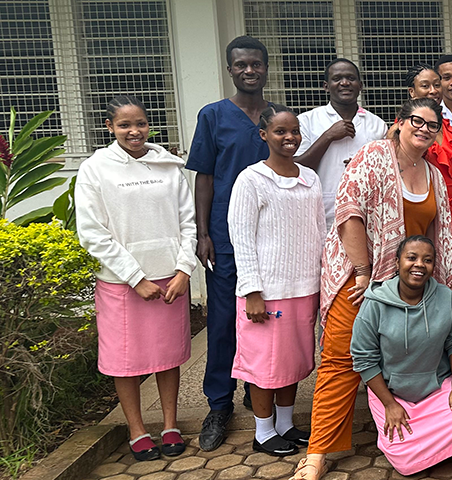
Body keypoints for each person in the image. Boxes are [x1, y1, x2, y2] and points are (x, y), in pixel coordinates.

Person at [293, 97, 452, 480]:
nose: (423, 129)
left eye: (432, 125)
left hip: (407, 284)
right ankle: (317, 454)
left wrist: (439, 286)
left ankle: (418, 435)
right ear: (399, 122)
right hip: (359, 277)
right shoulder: (372, 156)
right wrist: (365, 272)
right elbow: (350, 213)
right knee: (342, 361)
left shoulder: (432, 174)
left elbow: (436, 234)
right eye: (416, 120)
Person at [76, 95, 196, 461]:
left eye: (140, 123)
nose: (134, 131)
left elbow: (187, 222)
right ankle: (137, 429)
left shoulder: (167, 165)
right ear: (109, 127)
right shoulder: (95, 169)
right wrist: (134, 277)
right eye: (125, 125)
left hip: (169, 279)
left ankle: (171, 423)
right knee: (124, 360)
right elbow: (92, 232)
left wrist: (183, 269)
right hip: (121, 282)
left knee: (168, 355)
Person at [186, 35, 270, 450]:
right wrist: (203, 233)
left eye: (256, 64)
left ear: (266, 68)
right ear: (230, 69)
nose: (249, 70)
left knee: (266, 316)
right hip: (225, 234)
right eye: (241, 65)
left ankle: (259, 391)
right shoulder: (214, 115)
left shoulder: (276, 116)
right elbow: (204, 176)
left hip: (270, 235)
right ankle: (219, 404)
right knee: (222, 321)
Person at [228, 104, 323, 457]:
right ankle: (263, 432)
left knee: (294, 363)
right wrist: (252, 291)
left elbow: (320, 231)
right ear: (264, 134)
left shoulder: (310, 178)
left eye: (294, 131)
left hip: (304, 289)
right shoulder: (251, 180)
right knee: (266, 366)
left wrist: (323, 279)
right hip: (267, 293)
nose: (290, 138)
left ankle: (285, 424)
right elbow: (241, 237)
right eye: (281, 131)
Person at [351, 236, 452, 476]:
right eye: (411, 257)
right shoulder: (374, 303)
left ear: (434, 266)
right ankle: (439, 449)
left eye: (427, 260)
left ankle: (430, 448)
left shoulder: (445, 298)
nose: (419, 264)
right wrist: (389, 404)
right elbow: (364, 360)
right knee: (403, 459)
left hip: (435, 387)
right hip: (392, 392)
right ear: (397, 261)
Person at [294, 58, 389, 232]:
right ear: (326, 86)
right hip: (320, 216)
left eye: (351, 78)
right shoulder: (307, 121)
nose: (345, 83)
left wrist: (363, 165)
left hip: (367, 216)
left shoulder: (377, 125)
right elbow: (297, 169)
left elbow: (388, 173)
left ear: (360, 85)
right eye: (337, 78)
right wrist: (328, 136)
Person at [406, 63, 452, 266]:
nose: (433, 91)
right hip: (419, 212)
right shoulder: (401, 132)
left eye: (437, 84)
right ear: (412, 91)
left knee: (448, 272)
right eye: (425, 85)